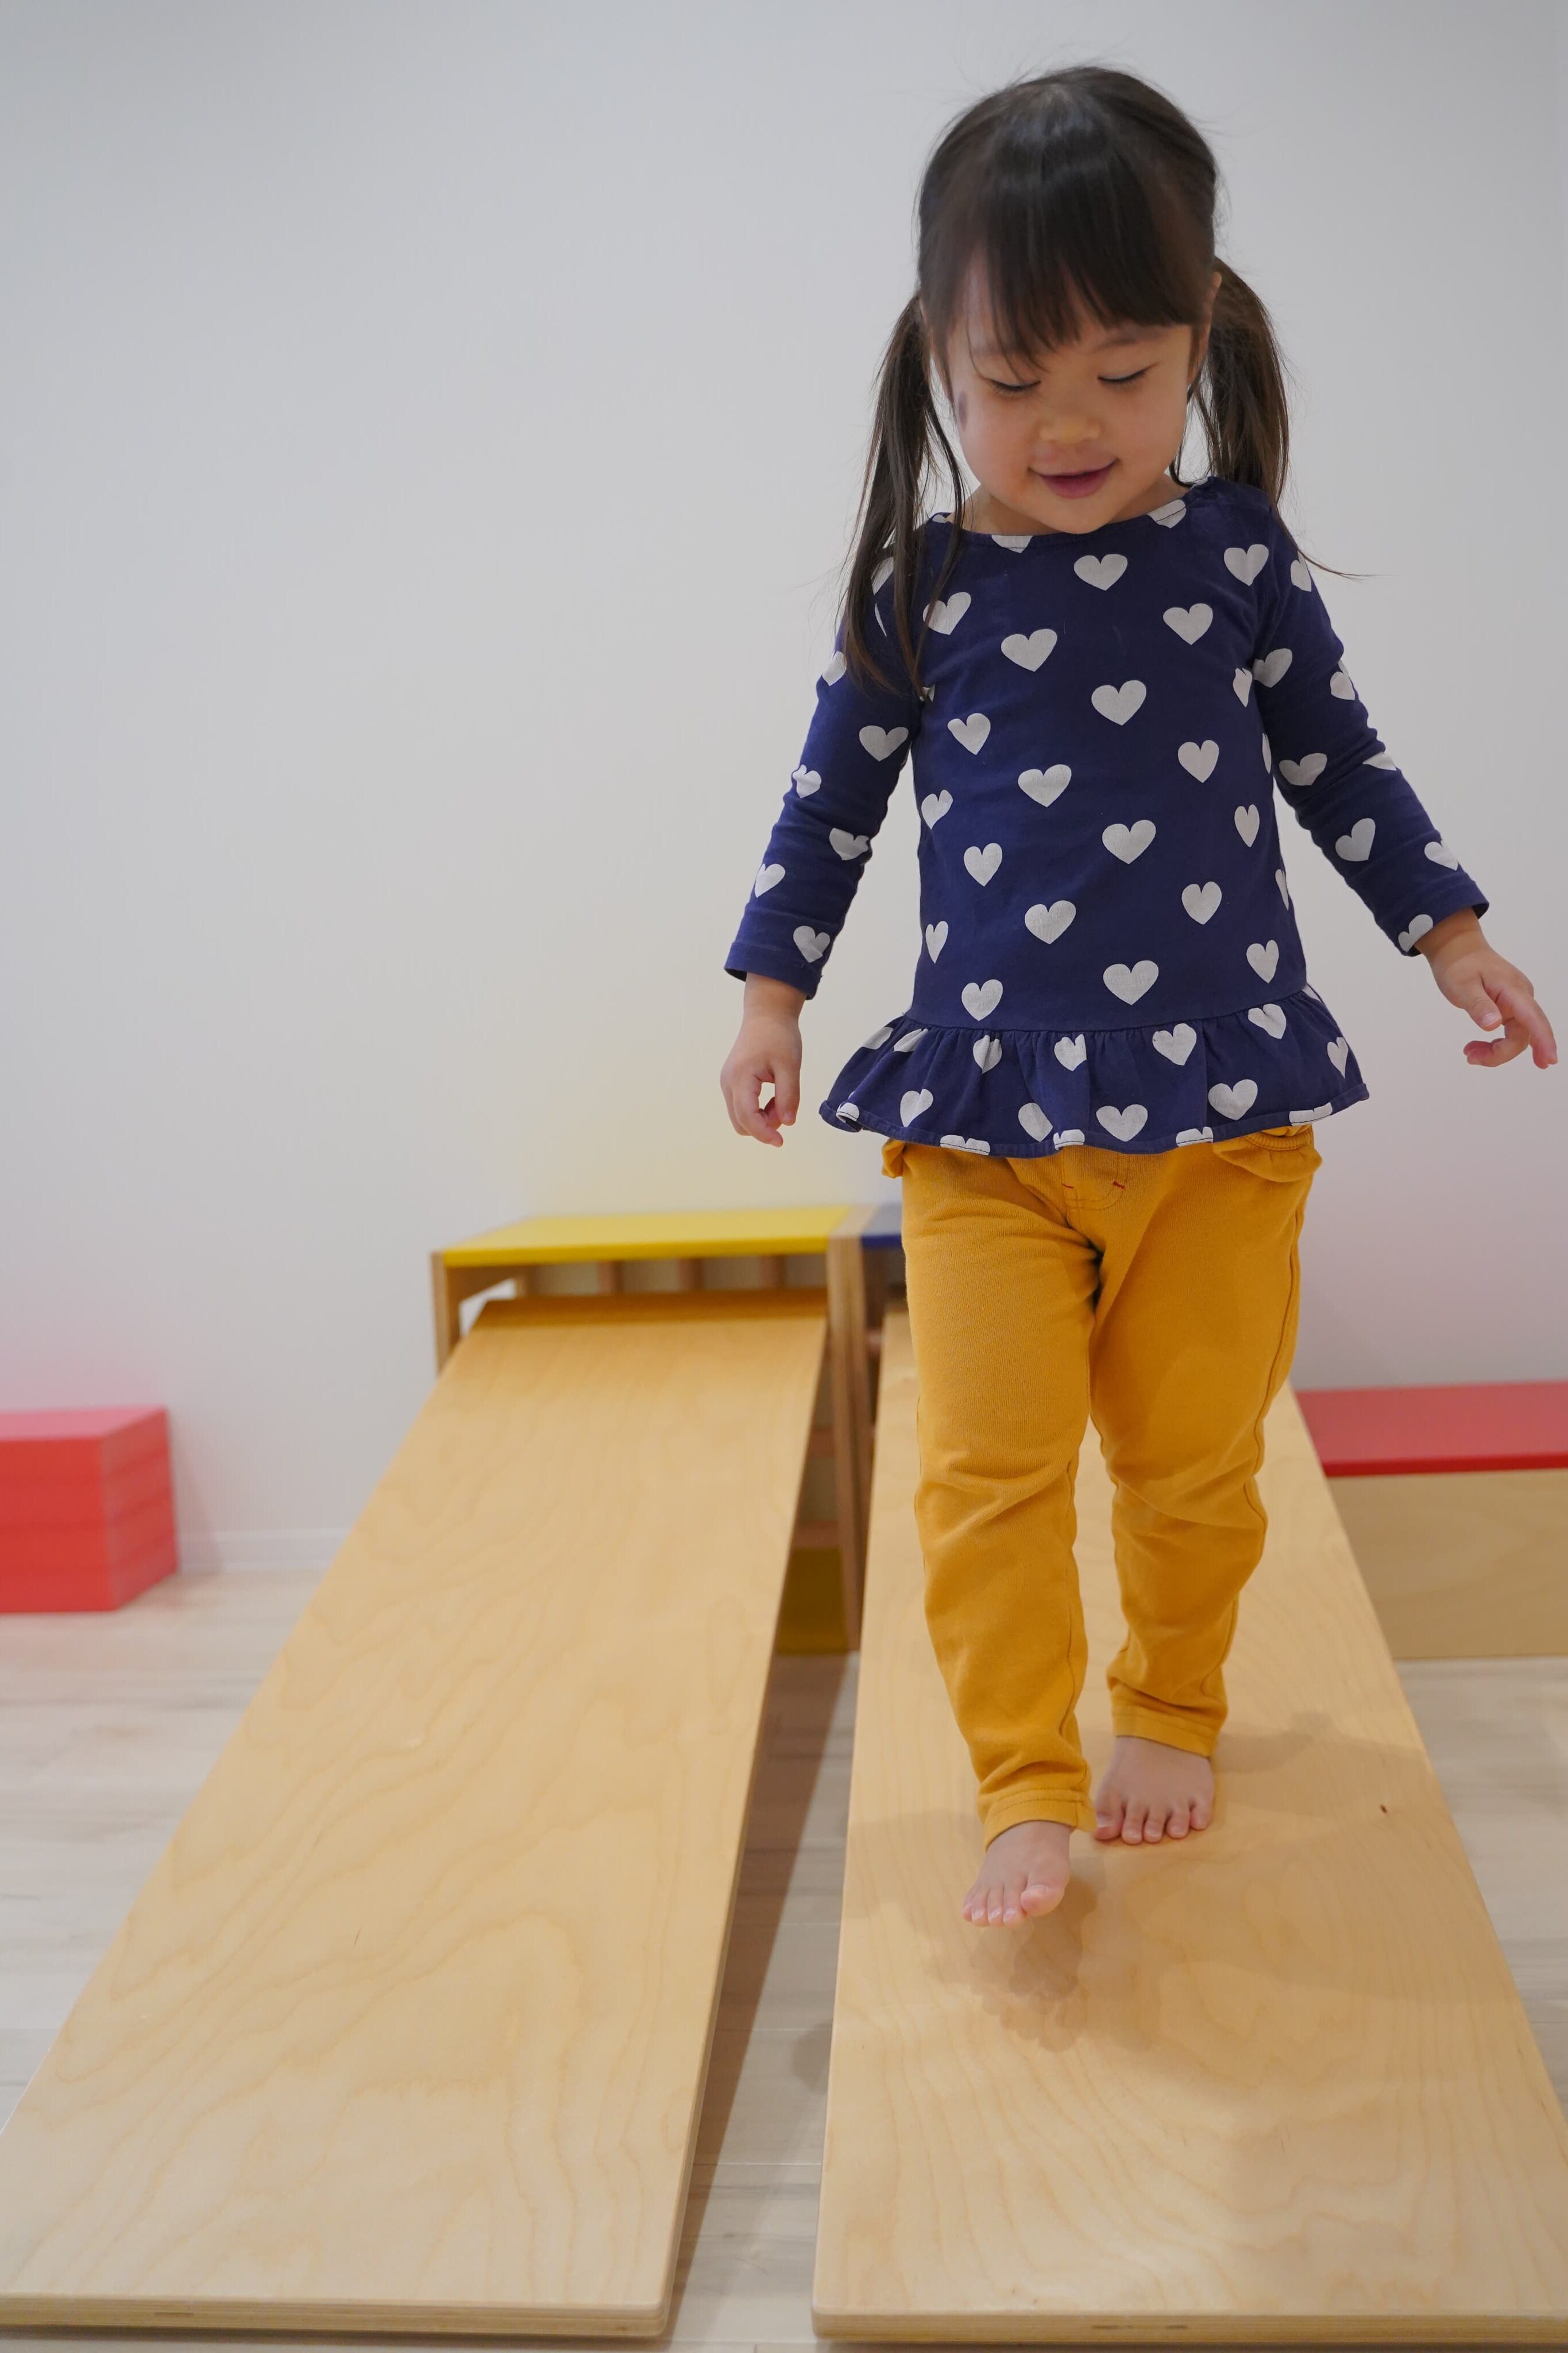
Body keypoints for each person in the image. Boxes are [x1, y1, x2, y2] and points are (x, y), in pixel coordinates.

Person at [717, 64, 1557, 1929]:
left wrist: (1448, 932)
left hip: (1223, 1127)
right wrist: (771, 1001)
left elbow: (1340, 767)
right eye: (1014, 379)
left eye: (1123, 369)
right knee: (986, 1472)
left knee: (1191, 1464)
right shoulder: (924, 587)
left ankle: (1168, 1704)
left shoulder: (1234, 559)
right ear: (937, 357)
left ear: (1202, 336)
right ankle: (1021, 1778)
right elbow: (825, 810)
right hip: (983, 1134)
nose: (1070, 421)